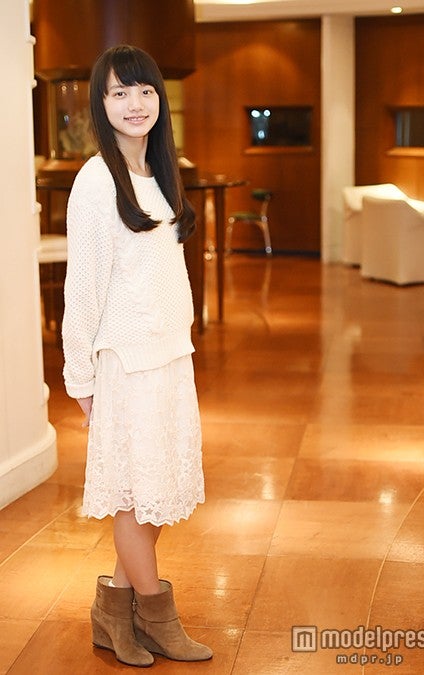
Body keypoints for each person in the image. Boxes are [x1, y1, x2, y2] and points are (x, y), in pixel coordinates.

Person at [62, 44, 212, 668]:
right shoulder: (96, 180)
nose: (135, 103)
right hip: (125, 361)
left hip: (170, 355)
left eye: (145, 90)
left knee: (157, 488)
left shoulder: (162, 169)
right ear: (101, 104)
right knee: (133, 494)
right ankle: (157, 616)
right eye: (119, 92)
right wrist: (80, 375)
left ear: (160, 99)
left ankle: (112, 612)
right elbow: (83, 287)